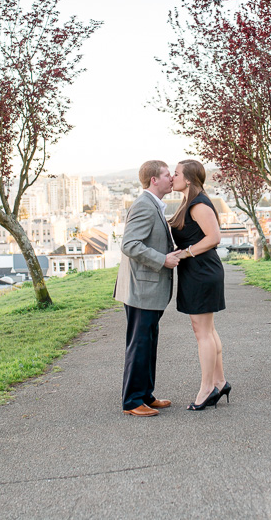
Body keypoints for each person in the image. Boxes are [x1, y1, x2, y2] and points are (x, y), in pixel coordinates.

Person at [113, 160, 180, 417]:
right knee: (139, 345)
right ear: (154, 180)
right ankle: (132, 401)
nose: (171, 179)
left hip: (147, 289)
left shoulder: (153, 205)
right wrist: (162, 259)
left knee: (148, 343)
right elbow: (129, 244)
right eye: (166, 175)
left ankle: (145, 395)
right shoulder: (144, 205)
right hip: (141, 289)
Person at [170, 159, 230, 411]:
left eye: (176, 173)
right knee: (208, 330)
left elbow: (214, 237)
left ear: (188, 179)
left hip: (202, 271)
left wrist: (185, 254)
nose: (172, 177)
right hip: (198, 270)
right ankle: (220, 381)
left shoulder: (198, 204)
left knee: (202, 332)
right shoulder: (190, 202)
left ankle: (207, 389)